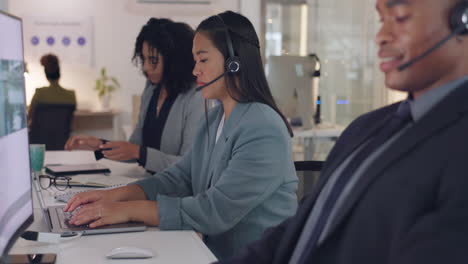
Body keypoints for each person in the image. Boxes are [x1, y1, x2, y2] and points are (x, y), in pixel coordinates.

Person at [216, 0, 468, 263]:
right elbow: (299, 230)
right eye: (382, 20)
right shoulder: (367, 127)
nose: (381, 37)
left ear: (463, 20)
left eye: (401, 18)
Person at [63, 11, 298, 260]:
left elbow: (214, 211)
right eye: (194, 60)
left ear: (234, 63)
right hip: (210, 252)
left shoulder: (263, 127)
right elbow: (178, 179)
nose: (195, 70)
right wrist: (112, 196)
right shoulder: (215, 118)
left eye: (202, 60)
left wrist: (128, 211)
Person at [64, 18, 204, 173]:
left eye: (153, 60)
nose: (145, 67)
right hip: (152, 183)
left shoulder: (197, 98)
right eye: (144, 59)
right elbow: (134, 148)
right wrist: (99, 146)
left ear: (174, 60)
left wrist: (138, 152)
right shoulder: (152, 89)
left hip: (177, 192)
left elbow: (188, 166)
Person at [28, 54, 76, 123]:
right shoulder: (71, 95)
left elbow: (29, 117)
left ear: (46, 75)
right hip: (62, 133)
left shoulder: (39, 93)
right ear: (59, 73)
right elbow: (70, 121)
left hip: (40, 133)